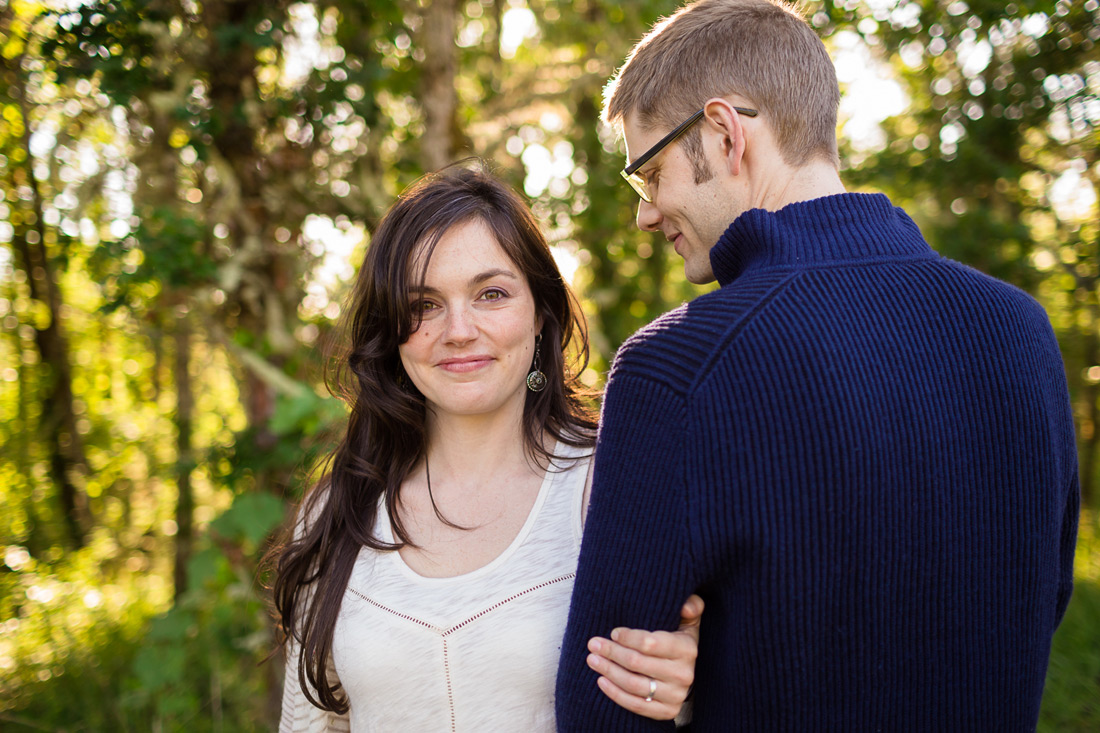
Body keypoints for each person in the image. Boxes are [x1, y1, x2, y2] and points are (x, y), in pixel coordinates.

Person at [556, 0, 1079, 730]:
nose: (646, 212)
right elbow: (1042, 600)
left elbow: (605, 704)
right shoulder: (1021, 329)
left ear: (724, 132)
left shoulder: (678, 368)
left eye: (649, 173)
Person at [273, 166, 701, 732]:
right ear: (391, 328)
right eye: (423, 304)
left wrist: (689, 683)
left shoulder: (615, 487)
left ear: (541, 312)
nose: (458, 329)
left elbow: (706, 692)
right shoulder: (336, 511)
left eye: (491, 294)